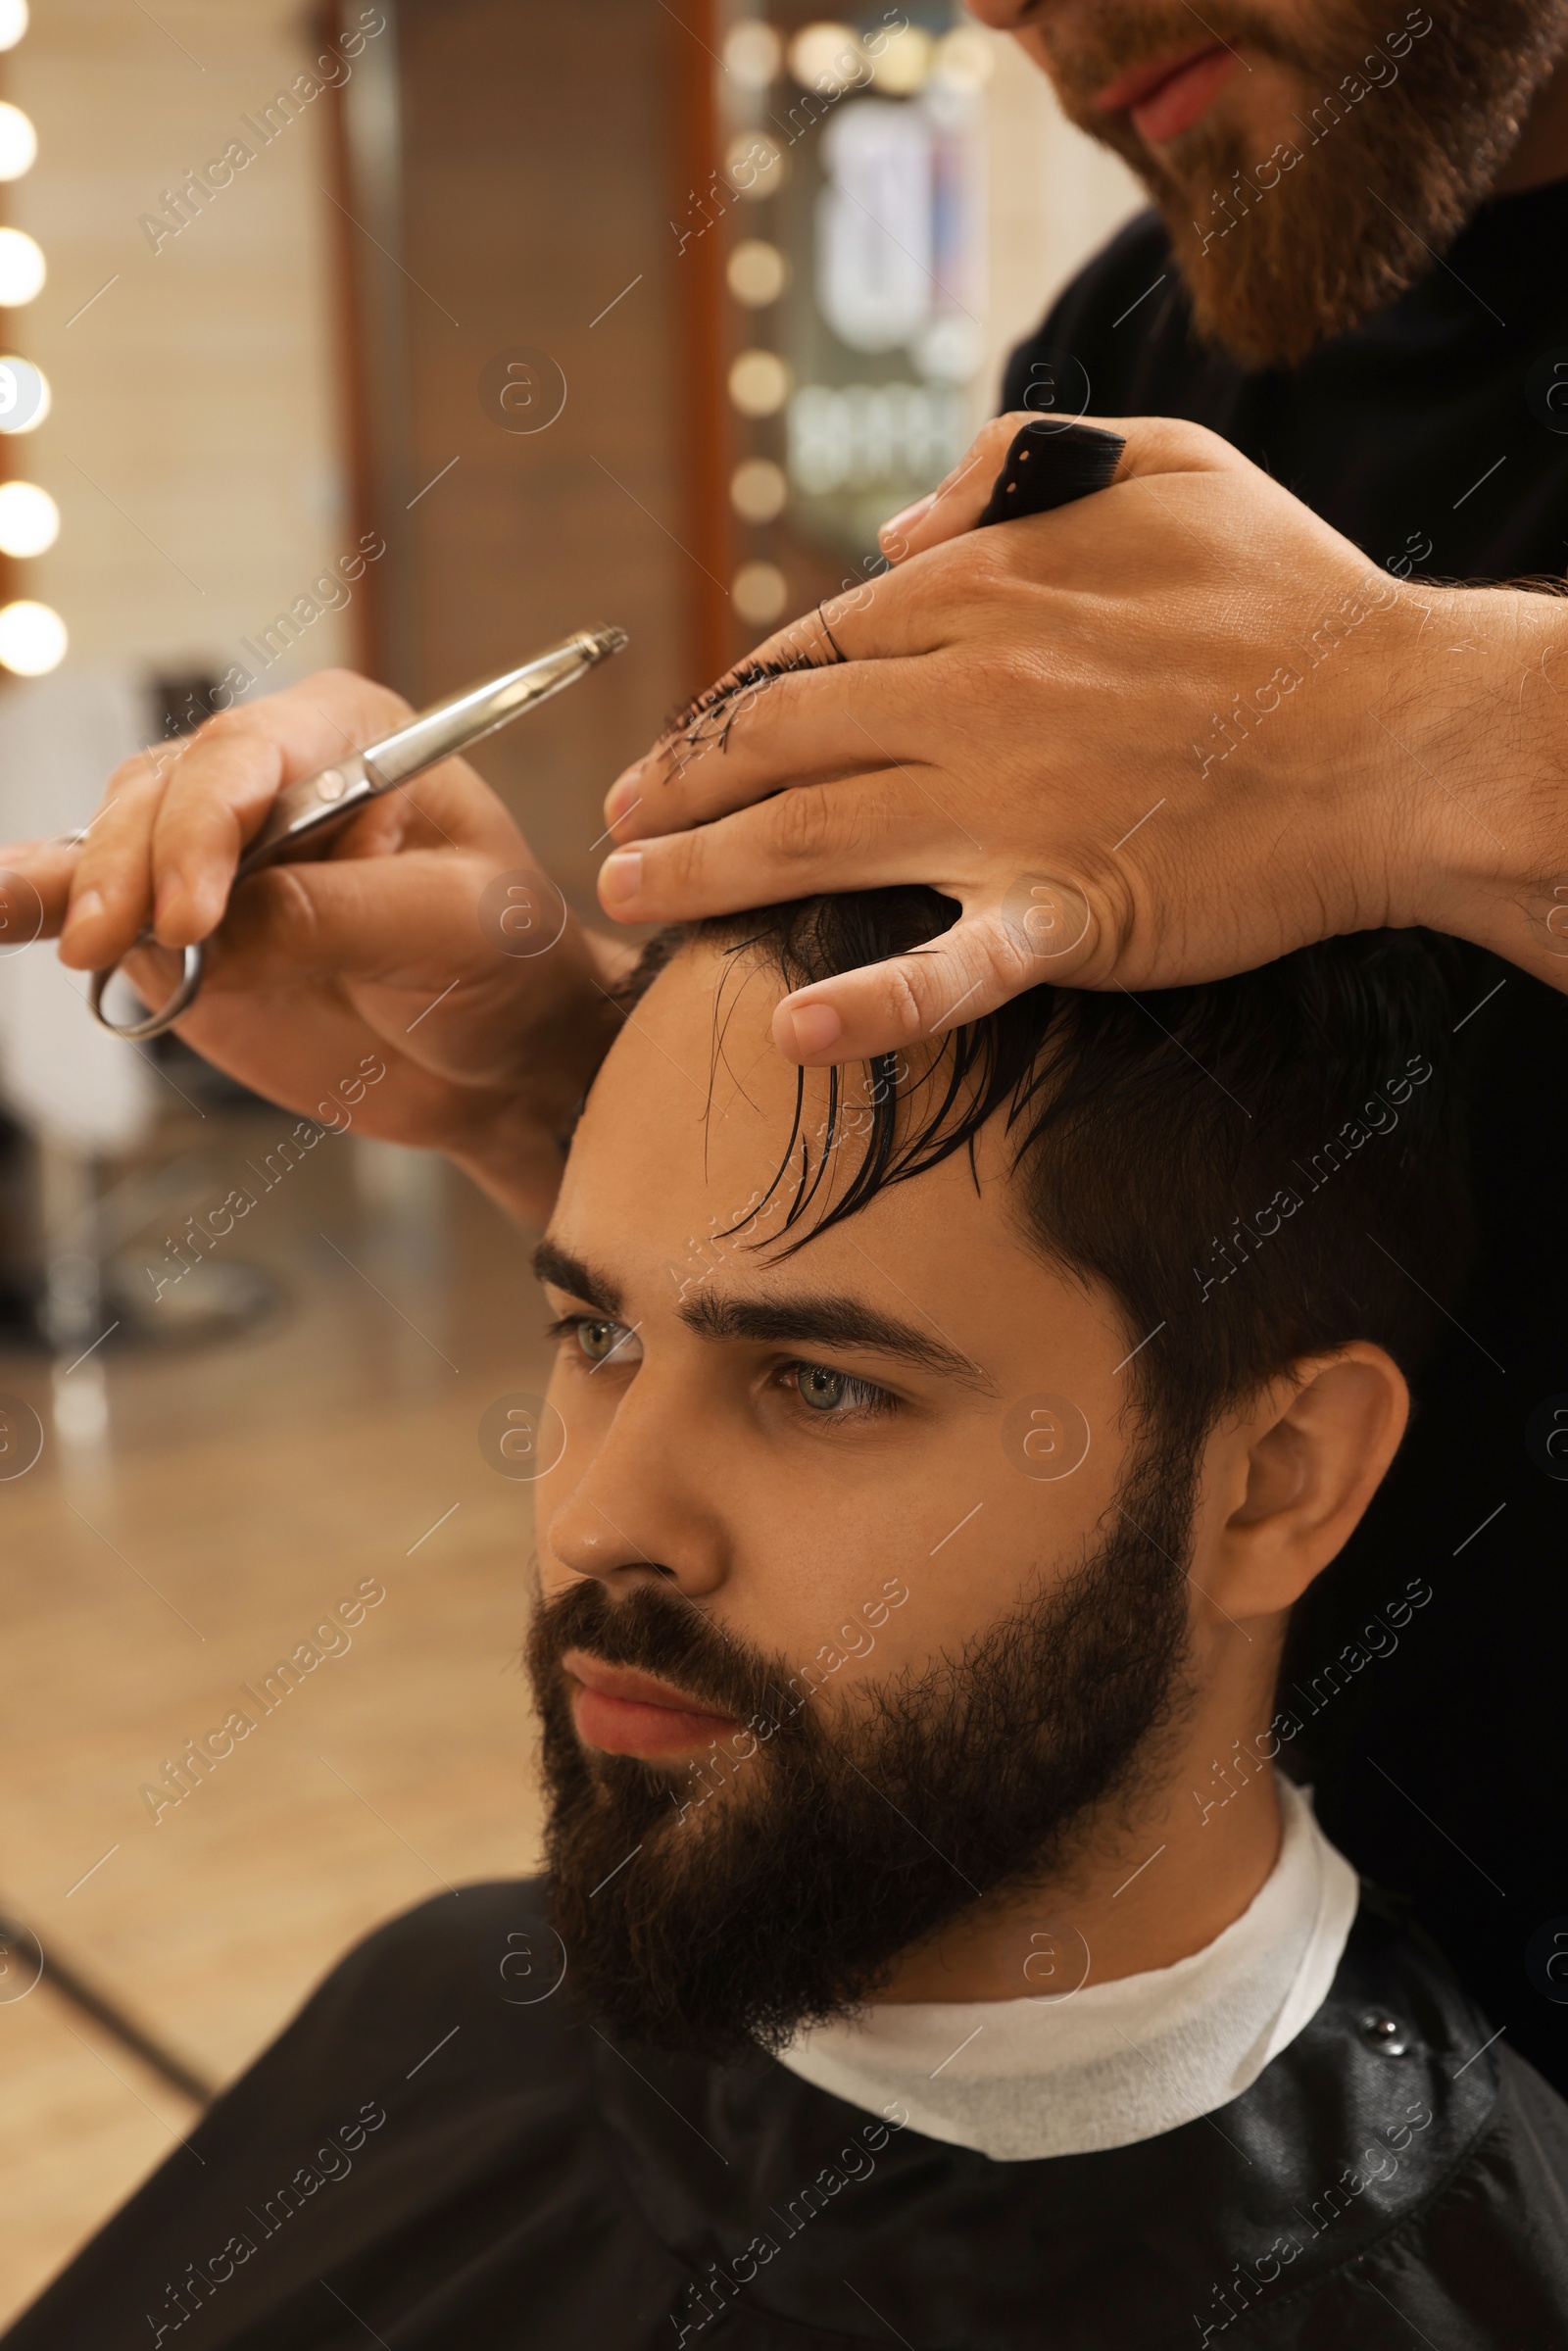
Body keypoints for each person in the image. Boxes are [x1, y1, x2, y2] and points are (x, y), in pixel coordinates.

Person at [3, 0, 1566, 2085]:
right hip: (1187, 2001)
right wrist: (552, 1089)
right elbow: (1094, 1257)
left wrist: (1425, 729)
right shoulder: (1144, 359)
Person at [8, 890, 1568, 2347]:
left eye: (823, 1384)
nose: (602, 1522)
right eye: (596, 1331)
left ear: (1272, 1484)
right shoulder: (429, 2007)